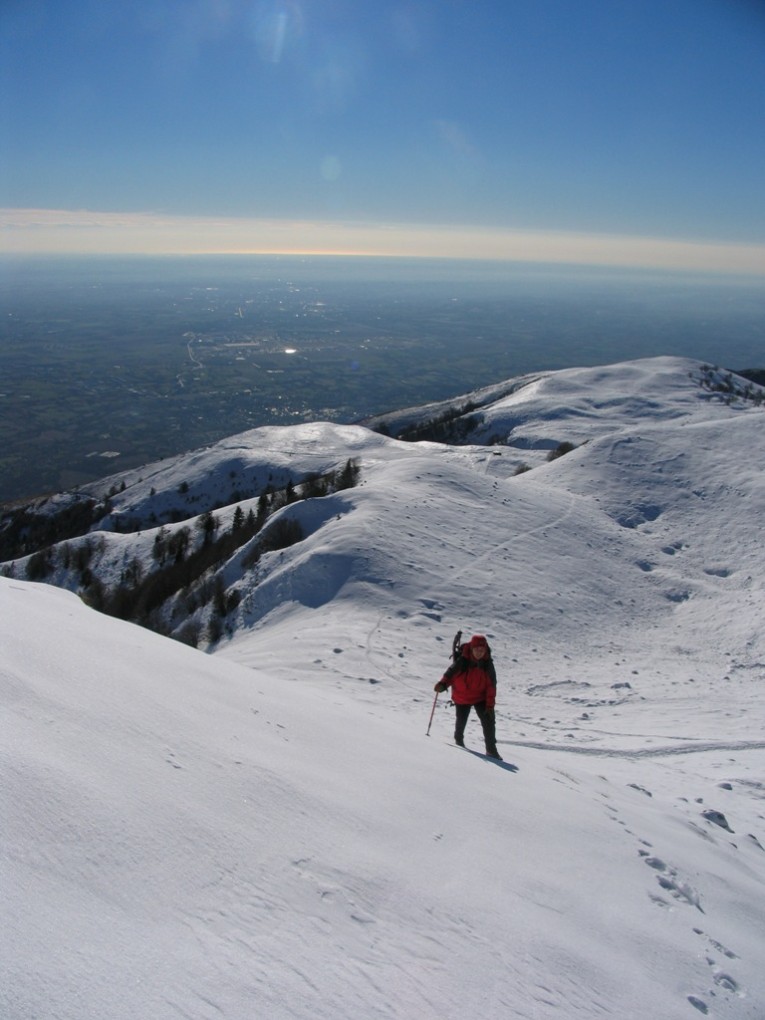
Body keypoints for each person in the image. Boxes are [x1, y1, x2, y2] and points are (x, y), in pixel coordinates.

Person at [434, 634, 502, 759]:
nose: (480, 653)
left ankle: (491, 750)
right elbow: (450, 674)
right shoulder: (463, 661)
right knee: (461, 721)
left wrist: (490, 706)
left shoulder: (487, 664)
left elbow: (491, 687)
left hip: (480, 697)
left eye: (482, 650)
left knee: (489, 721)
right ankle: (459, 742)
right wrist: (443, 684)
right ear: (472, 648)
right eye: (477, 650)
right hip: (462, 696)